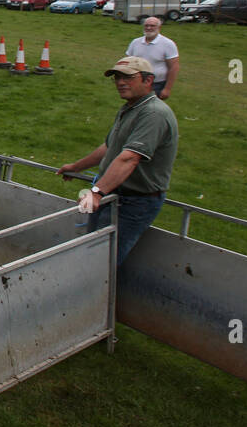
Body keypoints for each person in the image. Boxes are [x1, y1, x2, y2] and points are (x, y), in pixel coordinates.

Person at [56, 56, 178, 268]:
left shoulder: (154, 114)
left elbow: (130, 157)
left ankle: (94, 297)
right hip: (112, 193)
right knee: (91, 251)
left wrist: (96, 193)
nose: (121, 82)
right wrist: (76, 167)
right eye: (117, 78)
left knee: (101, 261)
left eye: (128, 77)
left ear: (148, 80)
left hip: (134, 201)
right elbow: (109, 148)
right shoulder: (130, 108)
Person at [125, 17, 179, 99]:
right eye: (146, 25)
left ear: (159, 27)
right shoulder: (135, 42)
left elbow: (173, 67)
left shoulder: (168, 44)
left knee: (152, 110)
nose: (149, 28)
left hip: (157, 85)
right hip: (136, 83)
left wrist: (167, 89)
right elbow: (128, 62)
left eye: (152, 26)